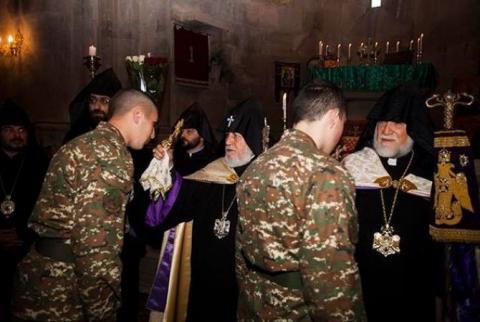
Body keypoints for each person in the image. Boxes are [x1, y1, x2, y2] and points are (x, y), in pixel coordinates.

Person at [12, 89, 158, 322]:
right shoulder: (109, 156)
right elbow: (95, 247)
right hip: (65, 291)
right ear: (138, 115)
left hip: (43, 275)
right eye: (153, 124)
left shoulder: (82, 143)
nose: (153, 134)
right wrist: (102, 311)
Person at [235, 82, 366, 321]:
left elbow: (240, 250)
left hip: (253, 303)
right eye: (343, 126)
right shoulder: (327, 174)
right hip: (297, 310)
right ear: (334, 117)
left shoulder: (256, 166)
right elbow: (328, 273)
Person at [143, 98, 264, 322]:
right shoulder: (210, 175)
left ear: (253, 141)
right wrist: (168, 168)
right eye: (227, 135)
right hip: (203, 278)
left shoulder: (263, 182)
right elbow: (174, 205)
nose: (228, 141)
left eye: (236, 136)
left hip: (242, 284)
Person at [343, 86, 442, 322]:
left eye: (397, 123)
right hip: (361, 285)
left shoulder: (432, 173)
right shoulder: (353, 167)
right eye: (381, 122)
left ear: (414, 129)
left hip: (412, 289)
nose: (386, 130)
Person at [0, 100, 49, 322]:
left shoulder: (39, 164)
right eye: (9, 130)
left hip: (29, 246)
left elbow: (47, 207)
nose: (16, 135)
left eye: (21, 130)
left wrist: (22, 233)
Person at [64, 68, 122, 143]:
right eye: (92, 100)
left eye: (105, 101)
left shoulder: (123, 135)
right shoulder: (77, 134)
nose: (97, 107)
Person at [173, 102, 217, 176]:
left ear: (202, 135)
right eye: (182, 131)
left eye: (189, 131)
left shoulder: (213, 161)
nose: (182, 135)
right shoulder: (175, 155)